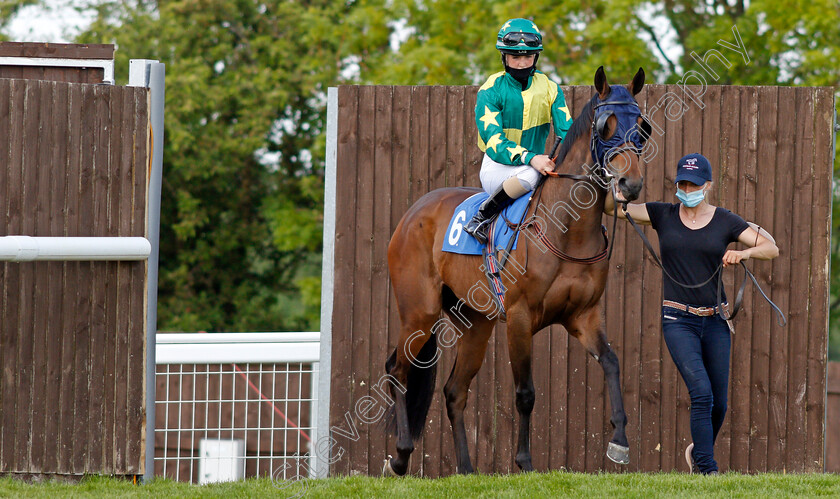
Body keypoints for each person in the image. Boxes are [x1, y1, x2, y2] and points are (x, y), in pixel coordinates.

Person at [604, 153, 779, 475]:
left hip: (715, 320)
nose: (687, 188)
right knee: (701, 392)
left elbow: (771, 248)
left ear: (707, 185)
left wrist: (744, 252)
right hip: (678, 319)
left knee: (719, 403)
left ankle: (699, 452)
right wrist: (612, 185)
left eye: (694, 184)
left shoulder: (726, 220)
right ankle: (707, 470)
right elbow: (613, 209)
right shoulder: (662, 214)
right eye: (682, 183)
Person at [463, 18, 574, 245]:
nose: (522, 63)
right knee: (531, 174)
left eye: (528, 56)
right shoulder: (491, 90)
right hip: (498, 168)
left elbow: (568, 130)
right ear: (504, 57)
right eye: (515, 56)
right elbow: (494, 142)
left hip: (538, 165)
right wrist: (531, 158)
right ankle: (483, 215)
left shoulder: (551, 88)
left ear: (536, 56)